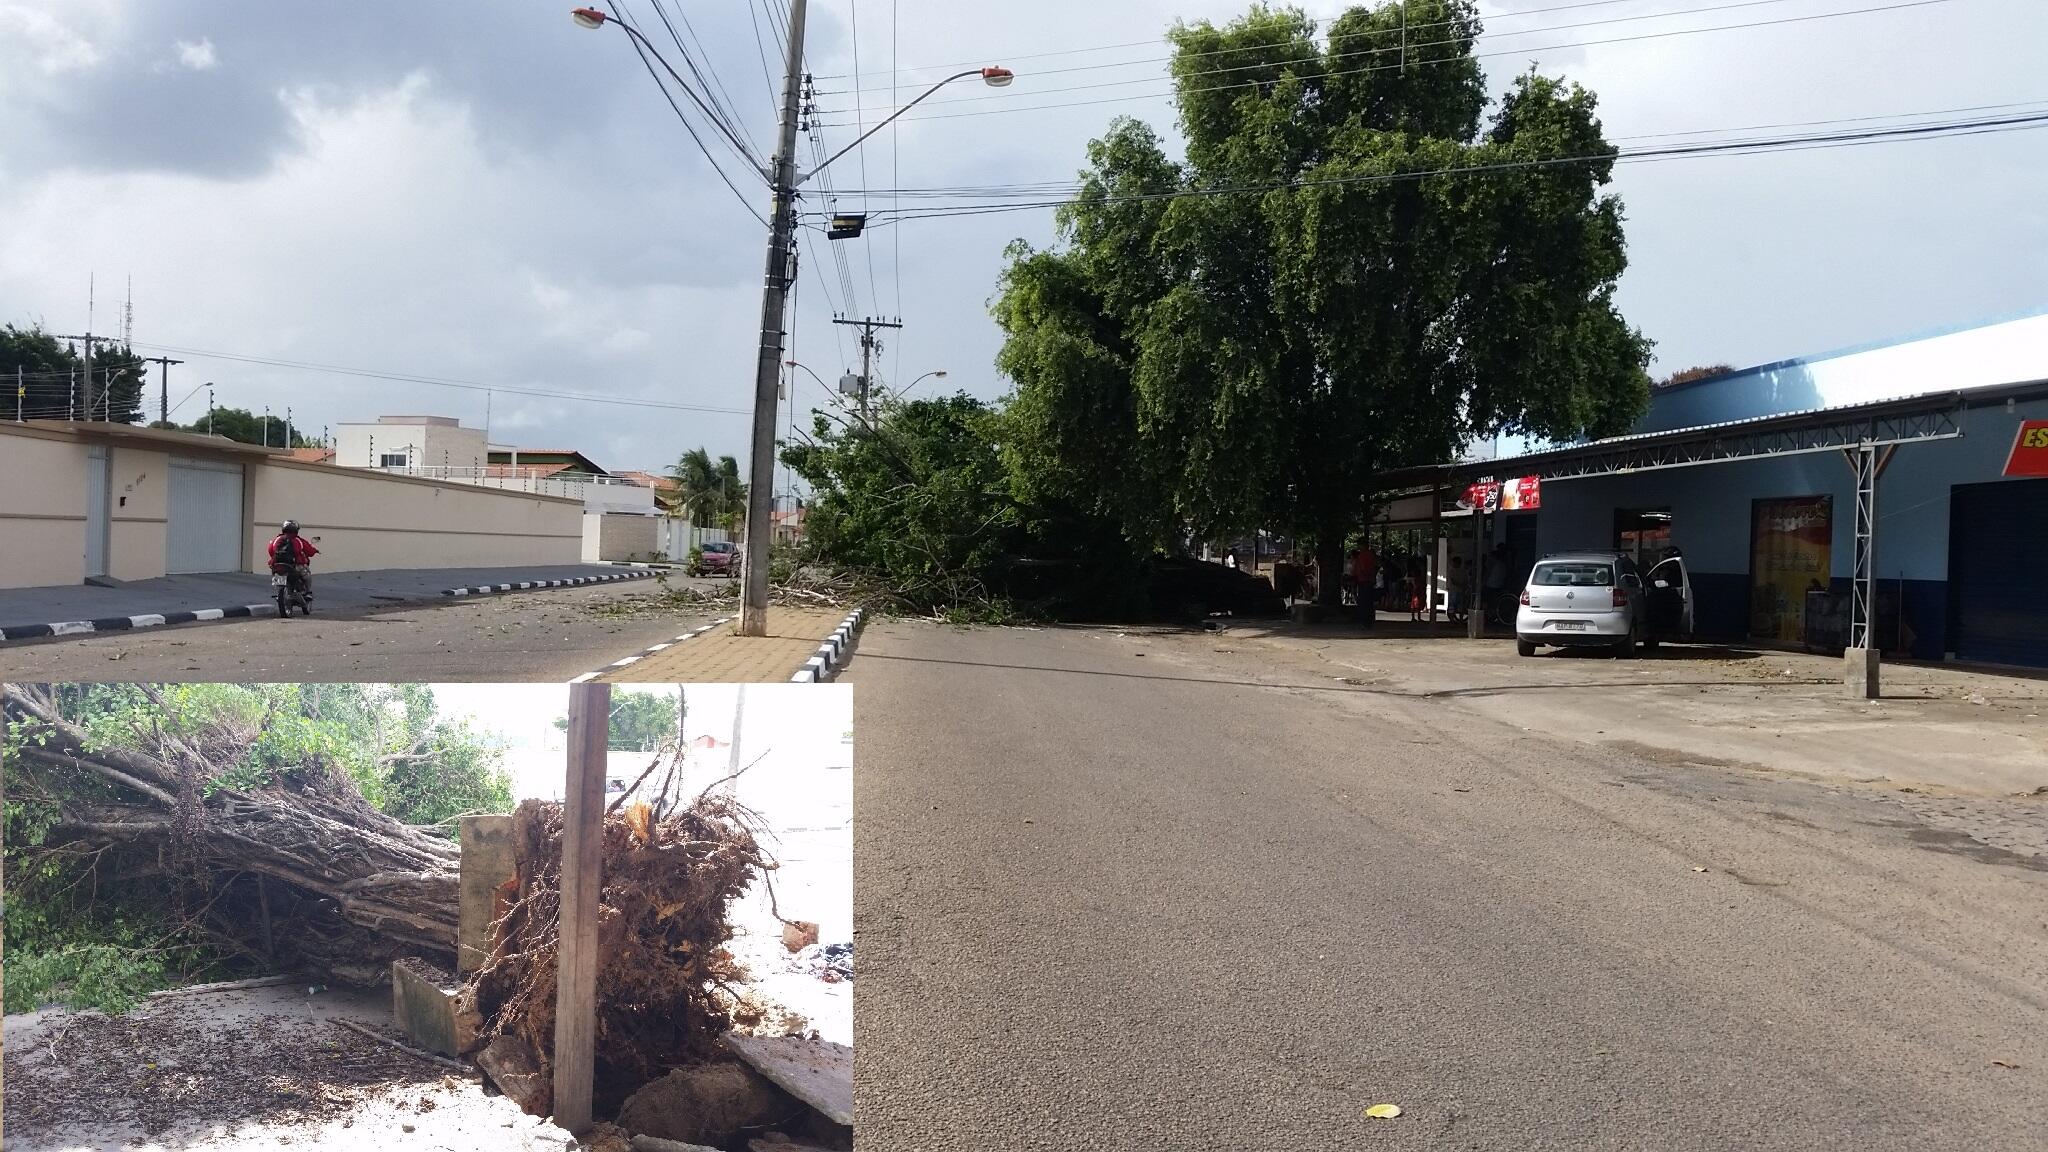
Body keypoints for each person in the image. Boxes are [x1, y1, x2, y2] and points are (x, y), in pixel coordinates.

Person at [267, 519, 320, 599]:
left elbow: (270, 550)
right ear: (296, 530)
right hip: (295, 565)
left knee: (277, 575)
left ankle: (280, 591)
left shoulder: (277, 540)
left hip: (278, 565)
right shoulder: (299, 540)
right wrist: (315, 551)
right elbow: (309, 551)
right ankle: (307, 592)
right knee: (307, 574)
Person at [1350, 542, 1378, 627]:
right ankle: (1369, 621)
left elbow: (1362, 567)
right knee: (1369, 601)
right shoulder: (1371, 556)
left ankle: (1364, 621)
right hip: (1369, 580)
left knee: (1363, 601)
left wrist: (1358, 575)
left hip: (1363, 580)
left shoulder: (1362, 556)